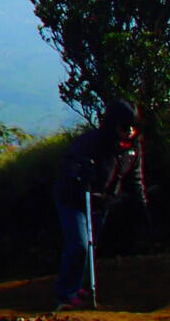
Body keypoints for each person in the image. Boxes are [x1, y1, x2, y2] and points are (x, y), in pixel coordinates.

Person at [53, 98, 148, 310]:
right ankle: (65, 293)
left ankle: (78, 287)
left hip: (102, 202)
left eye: (133, 126)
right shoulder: (90, 142)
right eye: (124, 127)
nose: (130, 131)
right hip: (74, 200)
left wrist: (141, 207)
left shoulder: (132, 149)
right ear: (113, 125)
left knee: (90, 246)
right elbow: (70, 164)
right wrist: (80, 173)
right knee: (78, 245)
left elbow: (135, 180)